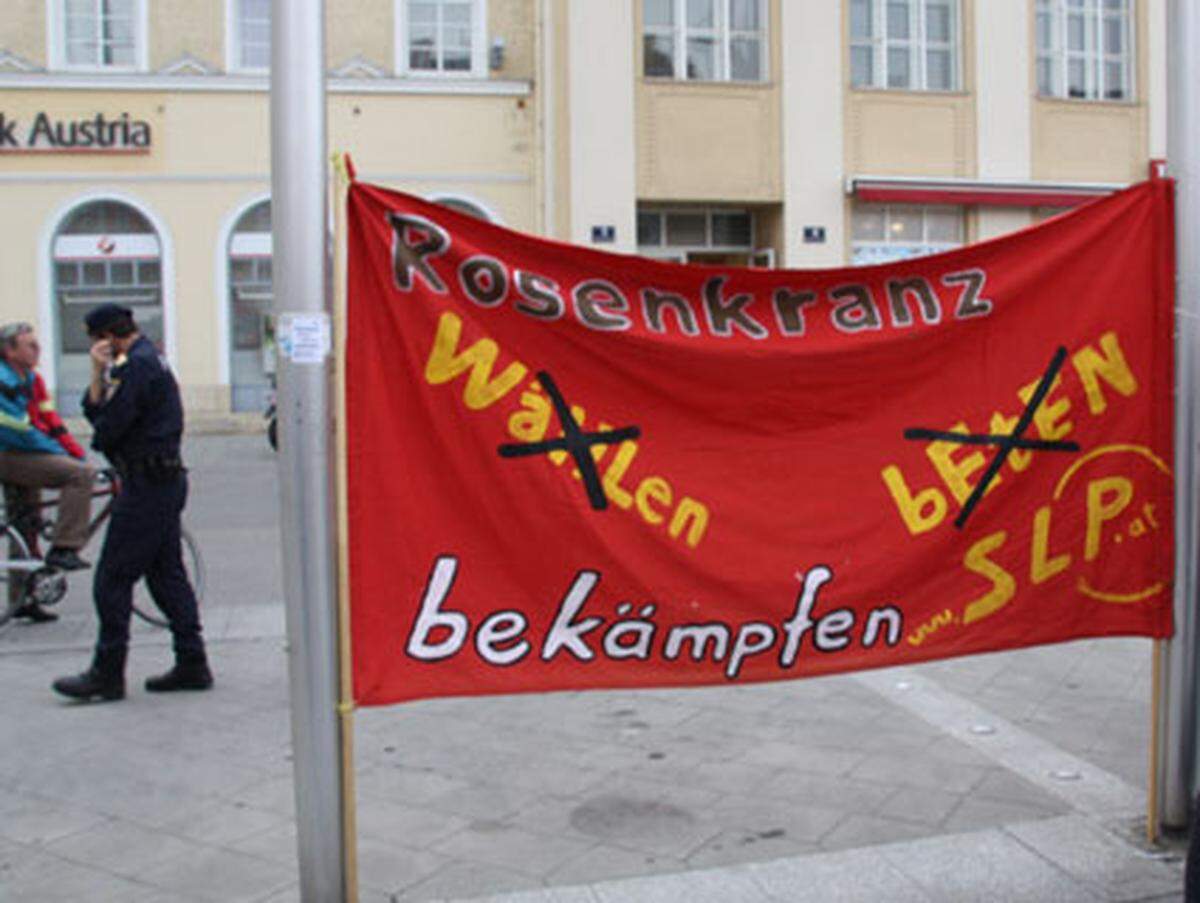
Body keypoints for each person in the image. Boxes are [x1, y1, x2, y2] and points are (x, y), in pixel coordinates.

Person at [53, 304, 212, 702]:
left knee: (112, 579)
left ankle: (107, 673)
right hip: (160, 481)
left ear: (106, 338)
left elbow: (106, 428)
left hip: (147, 485)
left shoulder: (137, 366)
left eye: (95, 341)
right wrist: (98, 379)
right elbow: (102, 414)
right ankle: (192, 661)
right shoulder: (145, 360)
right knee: (165, 575)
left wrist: (96, 376)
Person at [0, 322, 94, 623]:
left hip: (23, 451)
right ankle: (65, 547)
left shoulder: (30, 378)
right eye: (30, 345)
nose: (37, 349)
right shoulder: (3, 380)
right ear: (9, 351)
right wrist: (68, 459)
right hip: (10, 453)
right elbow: (20, 431)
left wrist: (76, 452)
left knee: (25, 524)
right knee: (79, 477)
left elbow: (51, 422)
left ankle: (22, 599)